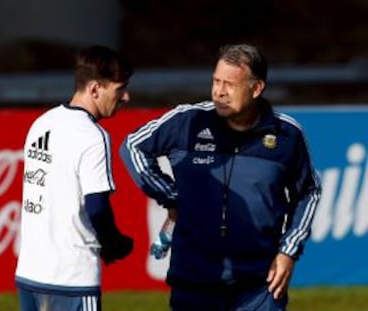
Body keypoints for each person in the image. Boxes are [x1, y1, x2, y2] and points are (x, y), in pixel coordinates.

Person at [120, 43, 321, 311]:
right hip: (193, 281)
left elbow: (309, 192)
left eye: (230, 84)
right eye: (216, 81)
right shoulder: (188, 121)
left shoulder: (287, 135)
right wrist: (169, 197)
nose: (219, 92)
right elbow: (133, 146)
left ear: (256, 88)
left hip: (261, 286)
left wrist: (288, 252)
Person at [15, 45, 134, 311]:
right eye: (120, 88)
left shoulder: (42, 123)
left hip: (29, 274)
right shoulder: (93, 136)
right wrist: (115, 244)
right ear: (94, 89)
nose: (126, 96)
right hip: (72, 279)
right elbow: (97, 208)